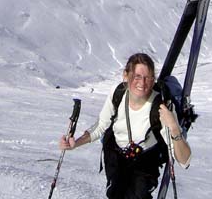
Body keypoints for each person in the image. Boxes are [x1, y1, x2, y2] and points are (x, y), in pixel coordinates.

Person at [59, 52, 191, 199]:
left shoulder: (161, 107)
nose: (142, 83)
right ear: (126, 76)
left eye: (148, 78)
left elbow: (184, 161)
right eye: (137, 76)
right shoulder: (118, 93)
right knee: (115, 193)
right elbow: (101, 125)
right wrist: (75, 143)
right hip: (115, 153)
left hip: (145, 159)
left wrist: (173, 126)